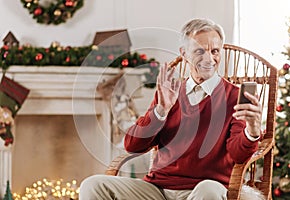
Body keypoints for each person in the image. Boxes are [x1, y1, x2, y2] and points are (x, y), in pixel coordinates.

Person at [79, 18, 262, 200]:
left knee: (210, 191)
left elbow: (238, 154)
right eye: (200, 51)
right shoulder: (169, 92)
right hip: (158, 189)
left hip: (203, 189)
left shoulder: (235, 97)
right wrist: (161, 111)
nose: (209, 58)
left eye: (214, 51)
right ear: (184, 53)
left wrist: (251, 131)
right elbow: (133, 145)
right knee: (93, 185)